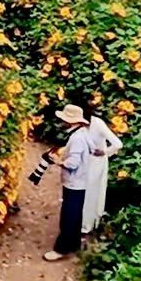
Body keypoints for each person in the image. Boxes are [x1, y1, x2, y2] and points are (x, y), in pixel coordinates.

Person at [42, 104, 92, 261]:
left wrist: (58, 161)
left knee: (69, 215)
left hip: (75, 181)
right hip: (81, 181)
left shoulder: (77, 138)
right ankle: (74, 243)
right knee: (75, 214)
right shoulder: (83, 134)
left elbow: (73, 163)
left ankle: (61, 249)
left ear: (70, 121)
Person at [81, 108, 123, 236]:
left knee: (91, 193)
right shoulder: (80, 126)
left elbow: (118, 143)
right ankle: (78, 220)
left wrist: (105, 152)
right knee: (81, 190)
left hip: (96, 163)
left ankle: (86, 226)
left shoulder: (98, 124)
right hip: (85, 161)